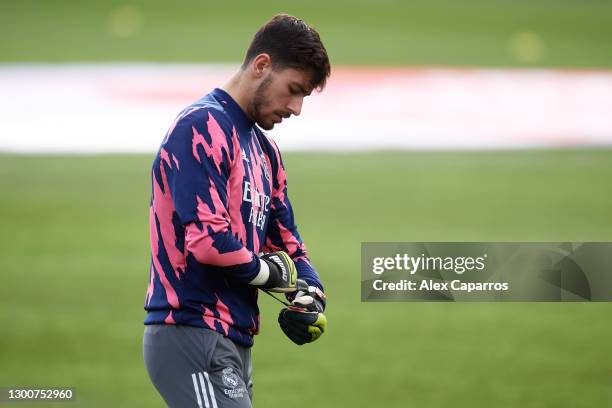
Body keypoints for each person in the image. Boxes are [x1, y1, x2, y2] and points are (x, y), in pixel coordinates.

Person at [142, 14, 330, 408]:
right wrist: (270, 276)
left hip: (233, 339)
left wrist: (310, 297)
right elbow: (208, 240)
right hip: (190, 330)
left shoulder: (266, 153)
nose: (296, 108)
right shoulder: (201, 126)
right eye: (293, 89)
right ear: (262, 66)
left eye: (304, 97)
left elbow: (291, 247)